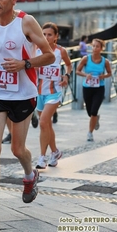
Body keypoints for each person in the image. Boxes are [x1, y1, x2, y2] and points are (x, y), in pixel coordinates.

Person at [0, 0, 55, 226]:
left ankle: (29, 174)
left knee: (16, 149)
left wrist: (24, 64)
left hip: (22, 94)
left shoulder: (26, 21)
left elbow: (49, 55)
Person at [35, 22, 72, 169]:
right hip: (38, 92)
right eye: (43, 34)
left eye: (49, 34)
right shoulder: (36, 50)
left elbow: (69, 65)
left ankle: (42, 157)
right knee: (47, 125)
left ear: (56, 36)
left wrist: (66, 76)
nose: (46, 37)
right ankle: (55, 152)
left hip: (54, 92)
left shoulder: (60, 51)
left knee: (44, 122)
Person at [76, 38, 112, 142]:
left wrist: (103, 77)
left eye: (97, 46)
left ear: (101, 48)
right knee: (89, 112)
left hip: (99, 88)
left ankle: (90, 133)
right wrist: (86, 75)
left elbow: (109, 73)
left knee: (93, 111)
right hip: (87, 87)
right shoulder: (86, 59)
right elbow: (77, 71)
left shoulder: (105, 61)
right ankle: (95, 118)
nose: (95, 48)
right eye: (93, 46)